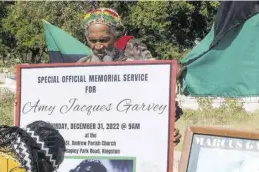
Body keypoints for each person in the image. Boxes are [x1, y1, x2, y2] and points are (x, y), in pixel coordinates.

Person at [77, 7, 183, 145]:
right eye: (92, 40)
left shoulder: (137, 72)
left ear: (116, 37)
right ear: (86, 38)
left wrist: (165, 132)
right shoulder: (76, 69)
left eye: (104, 40)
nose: (98, 46)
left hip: (127, 146)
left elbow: (153, 110)